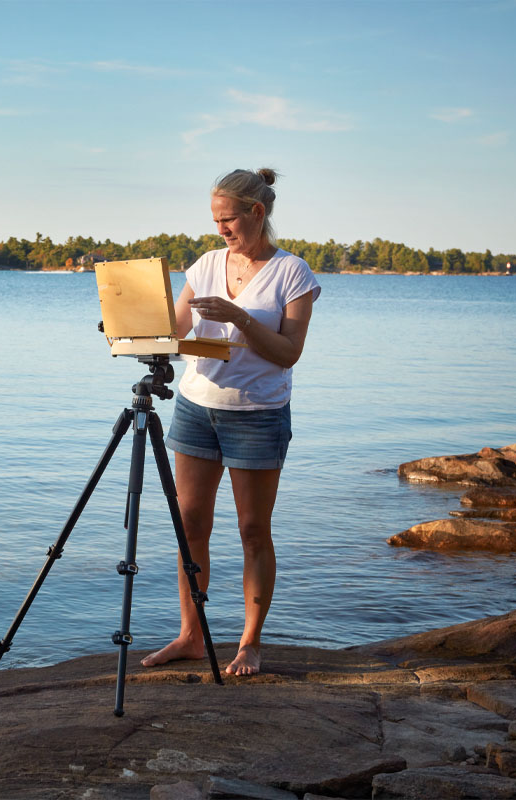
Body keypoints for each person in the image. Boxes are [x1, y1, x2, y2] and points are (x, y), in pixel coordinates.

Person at [141, 168, 320, 676]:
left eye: (228, 219)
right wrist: (133, 326)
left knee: (251, 530)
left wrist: (240, 318)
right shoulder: (205, 264)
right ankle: (191, 636)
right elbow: (175, 332)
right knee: (190, 525)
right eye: (215, 220)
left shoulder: (293, 274)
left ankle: (249, 643)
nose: (221, 229)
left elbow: (288, 353)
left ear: (257, 213)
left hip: (258, 415)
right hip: (197, 408)